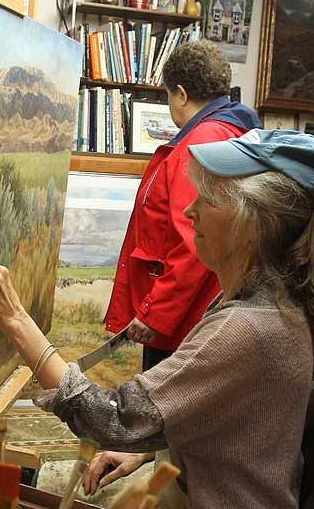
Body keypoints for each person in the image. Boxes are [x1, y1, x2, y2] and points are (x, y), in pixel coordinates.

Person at [0, 129, 314, 509]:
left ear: (257, 226)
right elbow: (222, 414)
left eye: (209, 198)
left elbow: (109, 420)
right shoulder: (275, 299)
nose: (189, 210)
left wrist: (15, 319)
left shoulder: (249, 328)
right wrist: (151, 448)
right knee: (18, 489)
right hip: (211, 497)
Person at [106, 39, 260, 370]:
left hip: (183, 322)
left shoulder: (202, 141)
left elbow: (194, 240)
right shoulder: (230, 131)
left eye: (168, 96)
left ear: (181, 94)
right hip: (199, 310)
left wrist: (156, 314)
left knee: (166, 413)